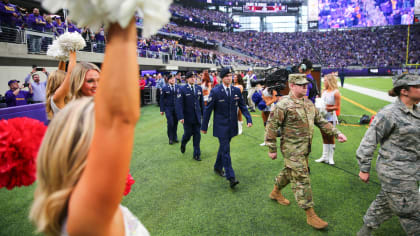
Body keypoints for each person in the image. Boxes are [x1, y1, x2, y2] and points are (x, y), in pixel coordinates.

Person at [30, 19, 149, 236]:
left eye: (99, 80)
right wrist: (121, 21)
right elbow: (123, 117)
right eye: (90, 81)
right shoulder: (66, 107)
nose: (96, 85)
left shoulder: (81, 208)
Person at [265, 74, 347, 229]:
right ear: (292, 85)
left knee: (289, 172)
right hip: (291, 150)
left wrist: (337, 133)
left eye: (306, 85)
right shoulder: (283, 104)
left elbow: (321, 121)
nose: (305, 87)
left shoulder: (308, 103)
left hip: (304, 149)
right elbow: (271, 126)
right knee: (302, 178)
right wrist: (271, 148)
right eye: (301, 85)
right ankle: (310, 215)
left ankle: (275, 192)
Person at [356, 74, 420, 236]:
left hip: (412, 170)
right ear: (404, 91)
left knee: (386, 201)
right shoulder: (389, 113)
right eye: (417, 86)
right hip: (396, 172)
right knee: (412, 213)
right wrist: (364, 168)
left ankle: (365, 231)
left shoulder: (417, 111)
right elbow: (369, 140)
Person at [201, 67, 252, 188]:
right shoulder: (215, 91)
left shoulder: (236, 90)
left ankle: (217, 167)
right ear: (222, 78)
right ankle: (231, 177)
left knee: (223, 148)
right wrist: (204, 126)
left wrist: (248, 118)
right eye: (227, 76)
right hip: (221, 126)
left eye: (231, 75)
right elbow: (208, 110)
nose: (229, 78)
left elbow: (242, 106)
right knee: (226, 151)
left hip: (232, 125)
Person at [176, 71, 204, 161]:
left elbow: (201, 103)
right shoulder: (182, 89)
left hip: (197, 117)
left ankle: (196, 154)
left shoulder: (199, 88)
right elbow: (179, 104)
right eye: (191, 77)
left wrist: (204, 115)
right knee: (187, 134)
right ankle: (183, 143)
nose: (193, 78)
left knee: (197, 135)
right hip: (187, 117)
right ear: (187, 79)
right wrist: (180, 117)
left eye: (194, 77)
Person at [315, 73, 341, 165]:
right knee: (324, 136)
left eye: (325, 80)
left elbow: (337, 107)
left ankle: (331, 158)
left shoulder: (336, 93)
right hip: (323, 117)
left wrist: (326, 108)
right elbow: (322, 103)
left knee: (331, 136)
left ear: (329, 81)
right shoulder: (324, 91)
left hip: (330, 117)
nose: (324, 82)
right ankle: (324, 156)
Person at [45, 52, 77, 119]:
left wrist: (63, 57)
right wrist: (73, 51)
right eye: (65, 79)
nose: (67, 81)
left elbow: (60, 71)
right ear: (61, 82)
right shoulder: (57, 96)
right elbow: (71, 74)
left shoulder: (57, 95)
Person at [160, 74, 179, 145]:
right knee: (170, 123)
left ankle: (175, 137)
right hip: (168, 108)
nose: (173, 80)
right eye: (171, 79)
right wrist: (162, 110)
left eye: (173, 78)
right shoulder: (164, 88)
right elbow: (161, 100)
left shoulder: (178, 87)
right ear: (168, 80)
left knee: (176, 123)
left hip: (176, 108)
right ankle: (170, 138)